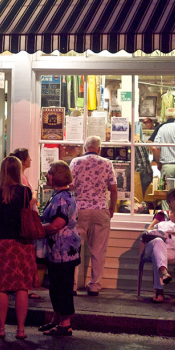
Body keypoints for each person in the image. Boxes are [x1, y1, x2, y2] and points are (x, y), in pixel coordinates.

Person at [0, 156, 35, 340]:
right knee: (22, 287)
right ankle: (21, 330)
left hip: (2, 241)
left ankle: (0, 328)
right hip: (22, 242)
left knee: (2, 287)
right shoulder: (25, 192)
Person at [38, 161, 82, 337]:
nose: (47, 175)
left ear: (57, 175)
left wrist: (38, 228)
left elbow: (58, 224)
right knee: (55, 286)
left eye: (50, 172)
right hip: (60, 250)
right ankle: (56, 320)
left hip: (63, 251)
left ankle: (65, 324)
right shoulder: (61, 194)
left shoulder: (62, 198)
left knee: (62, 287)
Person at [70, 135, 117, 295]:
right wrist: (112, 208)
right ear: (99, 149)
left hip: (79, 209)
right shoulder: (107, 163)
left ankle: (72, 285)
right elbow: (113, 188)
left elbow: (71, 186)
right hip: (100, 209)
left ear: (85, 148)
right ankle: (94, 286)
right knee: (98, 250)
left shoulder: (76, 162)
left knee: (74, 249)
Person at [141, 188, 175, 303]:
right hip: (156, 244)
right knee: (158, 243)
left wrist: (171, 232)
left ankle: (160, 289)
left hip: (173, 249)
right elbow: (150, 230)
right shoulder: (161, 215)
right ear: (169, 202)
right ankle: (163, 274)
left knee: (158, 255)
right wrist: (164, 228)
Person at [151, 108, 175, 188]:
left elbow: (154, 148)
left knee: (166, 195)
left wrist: (158, 163)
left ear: (166, 117)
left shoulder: (163, 128)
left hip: (166, 166)